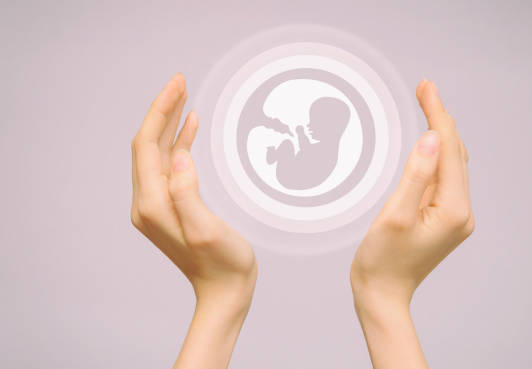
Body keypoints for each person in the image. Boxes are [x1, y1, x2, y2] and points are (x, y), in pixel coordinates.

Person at [130, 74, 474, 369]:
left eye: (317, 121)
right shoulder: (314, 147)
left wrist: (222, 291)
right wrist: (384, 292)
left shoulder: (325, 153)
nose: (309, 126)